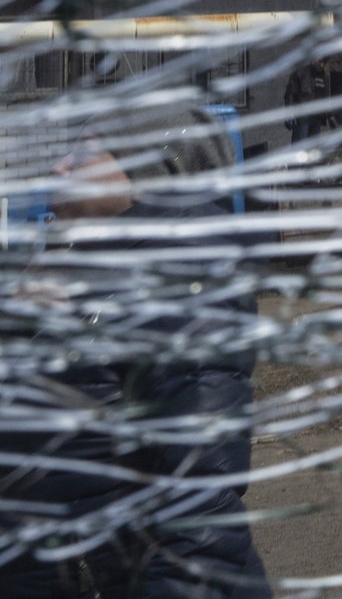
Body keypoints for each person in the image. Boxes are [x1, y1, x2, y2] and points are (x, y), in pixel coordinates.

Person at [0, 112, 268, 598]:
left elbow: (199, 493)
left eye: (81, 155)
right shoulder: (82, 276)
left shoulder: (185, 282)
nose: (59, 169)